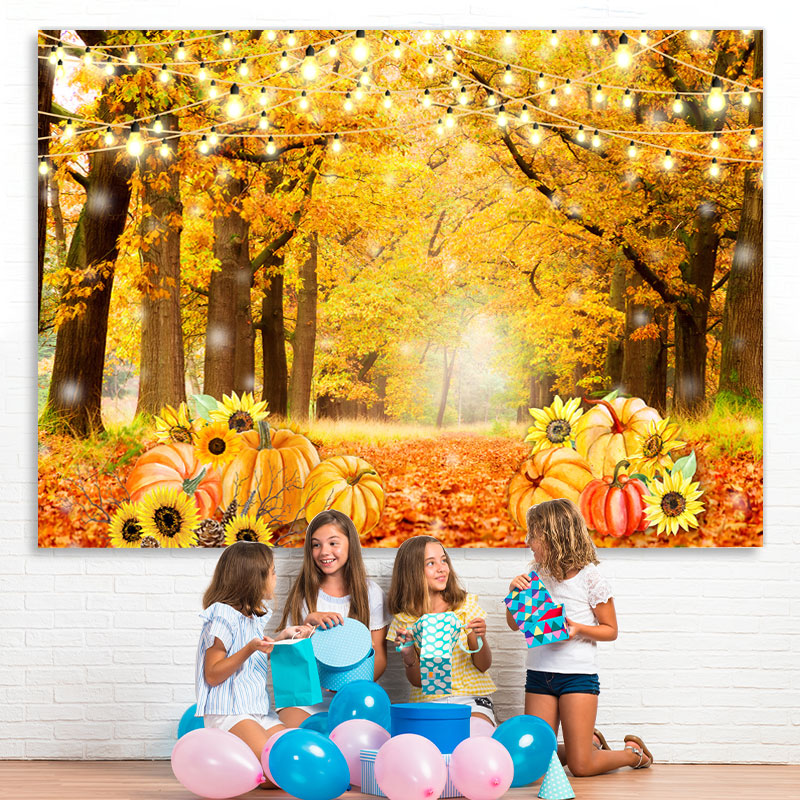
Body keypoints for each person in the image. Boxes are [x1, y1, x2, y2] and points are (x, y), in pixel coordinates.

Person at [507, 498, 653, 776]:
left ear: (553, 537)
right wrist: (514, 592)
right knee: (536, 759)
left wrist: (577, 628)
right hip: (539, 675)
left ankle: (633, 755)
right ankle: (590, 744)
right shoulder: (536, 574)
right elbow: (515, 625)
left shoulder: (590, 578)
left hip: (577, 677)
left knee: (580, 766)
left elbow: (610, 630)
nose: (528, 542)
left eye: (533, 535)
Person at [196, 540, 313, 779]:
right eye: (272, 572)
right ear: (253, 578)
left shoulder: (251, 617)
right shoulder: (223, 617)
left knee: (295, 756)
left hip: (258, 710)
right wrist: (250, 648)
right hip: (230, 712)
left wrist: (282, 638)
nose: (275, 578)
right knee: (276, 770)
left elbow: (253, 656)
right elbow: (213, 674)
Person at [277, 510, 390, 727]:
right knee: (290, 734)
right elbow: (293, 662)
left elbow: (380, 659)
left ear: (350, 545)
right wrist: (307, 628)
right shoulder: (305, 594)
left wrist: (348, 687)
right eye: (316, 544)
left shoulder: (371, 593)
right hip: (307, 697)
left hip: (354, 695)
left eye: (333, 543)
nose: (323, 552)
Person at [387, 535, 496, 725]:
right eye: (431, 563)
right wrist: (409, 656)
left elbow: (483, 665)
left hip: (471, 700)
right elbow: (418, 682)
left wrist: (479, 637)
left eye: (443, 560)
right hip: (429, 702)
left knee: (474, 735)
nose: (441, 568)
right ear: (412, 572)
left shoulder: (465, 605)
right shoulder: (405, 620)